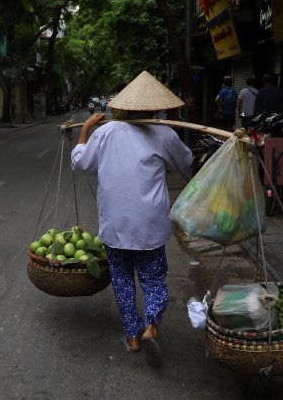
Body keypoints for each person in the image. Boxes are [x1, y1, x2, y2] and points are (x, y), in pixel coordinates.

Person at [71, 71, 193, 368]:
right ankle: (151, 324)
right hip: (149, 226)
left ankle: (134, 338)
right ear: (154, 107)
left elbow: (80, 163)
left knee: (123, 282)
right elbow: (186, 164)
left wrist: (85, 130)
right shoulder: (164, 134)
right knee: (153, 280)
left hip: (115, 227)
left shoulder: (104, 133)